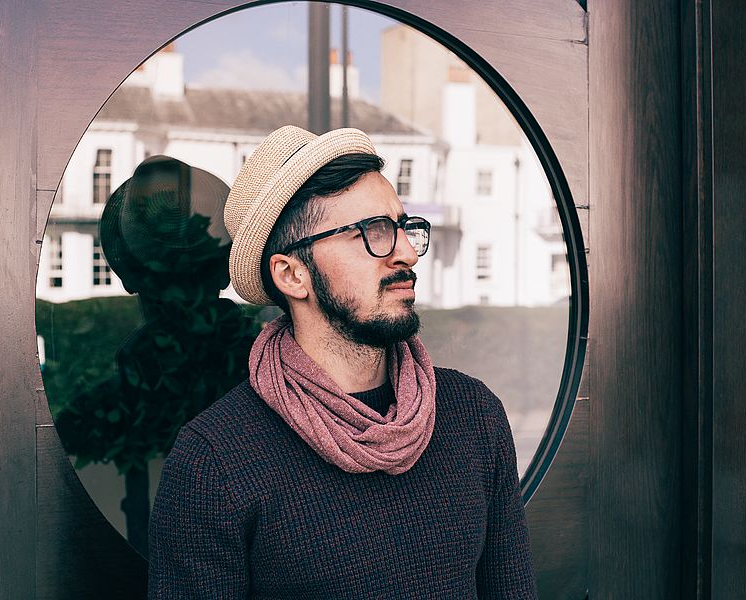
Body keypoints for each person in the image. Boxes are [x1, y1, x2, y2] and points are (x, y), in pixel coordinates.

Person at [148, 125, 537, 599]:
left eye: (402, 227)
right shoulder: (216, 462)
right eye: (373, 232)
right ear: (292, 275)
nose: (408, 252)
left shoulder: (472, 416)